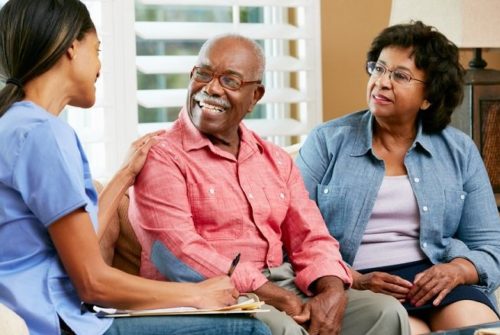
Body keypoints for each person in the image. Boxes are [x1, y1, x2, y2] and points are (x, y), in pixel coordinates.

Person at [0, 1, 272, 335]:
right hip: (55, 323)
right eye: (96, 49)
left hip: (40, 313)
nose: (99, 66)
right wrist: (195, 294)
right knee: (247, 330)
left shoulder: (15, 124)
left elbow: (75, 248)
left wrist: (125, 174)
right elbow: (91, 282)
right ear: (71, 46)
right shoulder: (44, 134)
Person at [128, 33, 410, 335]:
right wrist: (277, 297)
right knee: (281, 328)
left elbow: (311, 237)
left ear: (255, 97)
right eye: (204, 74)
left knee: (385, 313)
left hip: (284, 285)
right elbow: (177, 254)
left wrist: (331, 290)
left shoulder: (274, 159)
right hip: (211, 297)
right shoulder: (161, 155)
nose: (210, 89)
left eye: (230, 81)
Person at [295, 21, 500, 334]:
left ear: (428, 97)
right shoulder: (327, 141)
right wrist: (352, 278)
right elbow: (291, 236)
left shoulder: (459, 150)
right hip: (358, 281)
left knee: (475, 326)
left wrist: (458, 270)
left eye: (400, 75)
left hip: (435, 280)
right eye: (378, 68)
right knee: (408, 329)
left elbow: (489, 245)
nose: (381, 82)